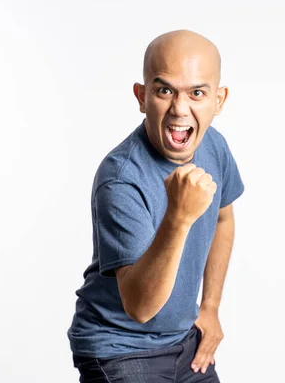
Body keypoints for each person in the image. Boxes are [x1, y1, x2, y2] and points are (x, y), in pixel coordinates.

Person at [67, 29, 244, 383]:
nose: (180, 108)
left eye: (197, 93)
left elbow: (224, 218)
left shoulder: (214, 146)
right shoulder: (120, 178)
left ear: (219, 100)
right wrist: (178, 218)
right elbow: (141, 308)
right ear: (142, 96)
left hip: (183, 341)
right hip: (120, 347)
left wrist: (209, 308)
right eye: (165, 91)